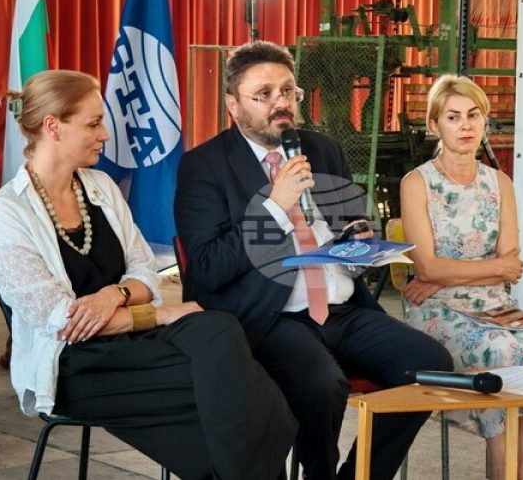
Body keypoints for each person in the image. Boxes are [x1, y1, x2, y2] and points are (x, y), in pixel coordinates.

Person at [0, 70, 296, 480]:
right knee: (240, 387)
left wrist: (114, 294)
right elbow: (63, 321)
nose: (105, 134)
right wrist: (159, 314)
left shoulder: (100, 187)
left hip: (131, 340)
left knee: (218, 330)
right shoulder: (10, 213)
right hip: (75, 366)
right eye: (93, 124)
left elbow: (145, 270)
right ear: (53, 127)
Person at [174, 41, 453, 480]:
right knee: (323, 385)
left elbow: (348, 225)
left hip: (342, 308)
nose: (280, 103)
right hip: (271, 319)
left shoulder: (323, 150)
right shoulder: (204, 166)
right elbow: (208, 267)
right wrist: (275, 208)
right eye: (264, 94)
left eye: (288, 91)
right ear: (233, 105)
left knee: (431, 365)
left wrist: (359, 242)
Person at [400, 74, 523, 480]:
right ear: (435, 125)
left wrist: (446, 273)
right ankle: (500, 473)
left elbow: (511, 265)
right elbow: (427, 269)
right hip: (436, 309)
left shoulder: (500, 183)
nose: (465, 125)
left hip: (496, 306)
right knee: (499, 350)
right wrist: (462, 272)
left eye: (473, 115)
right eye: (453, 117)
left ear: (484, 121)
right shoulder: (417, 183)